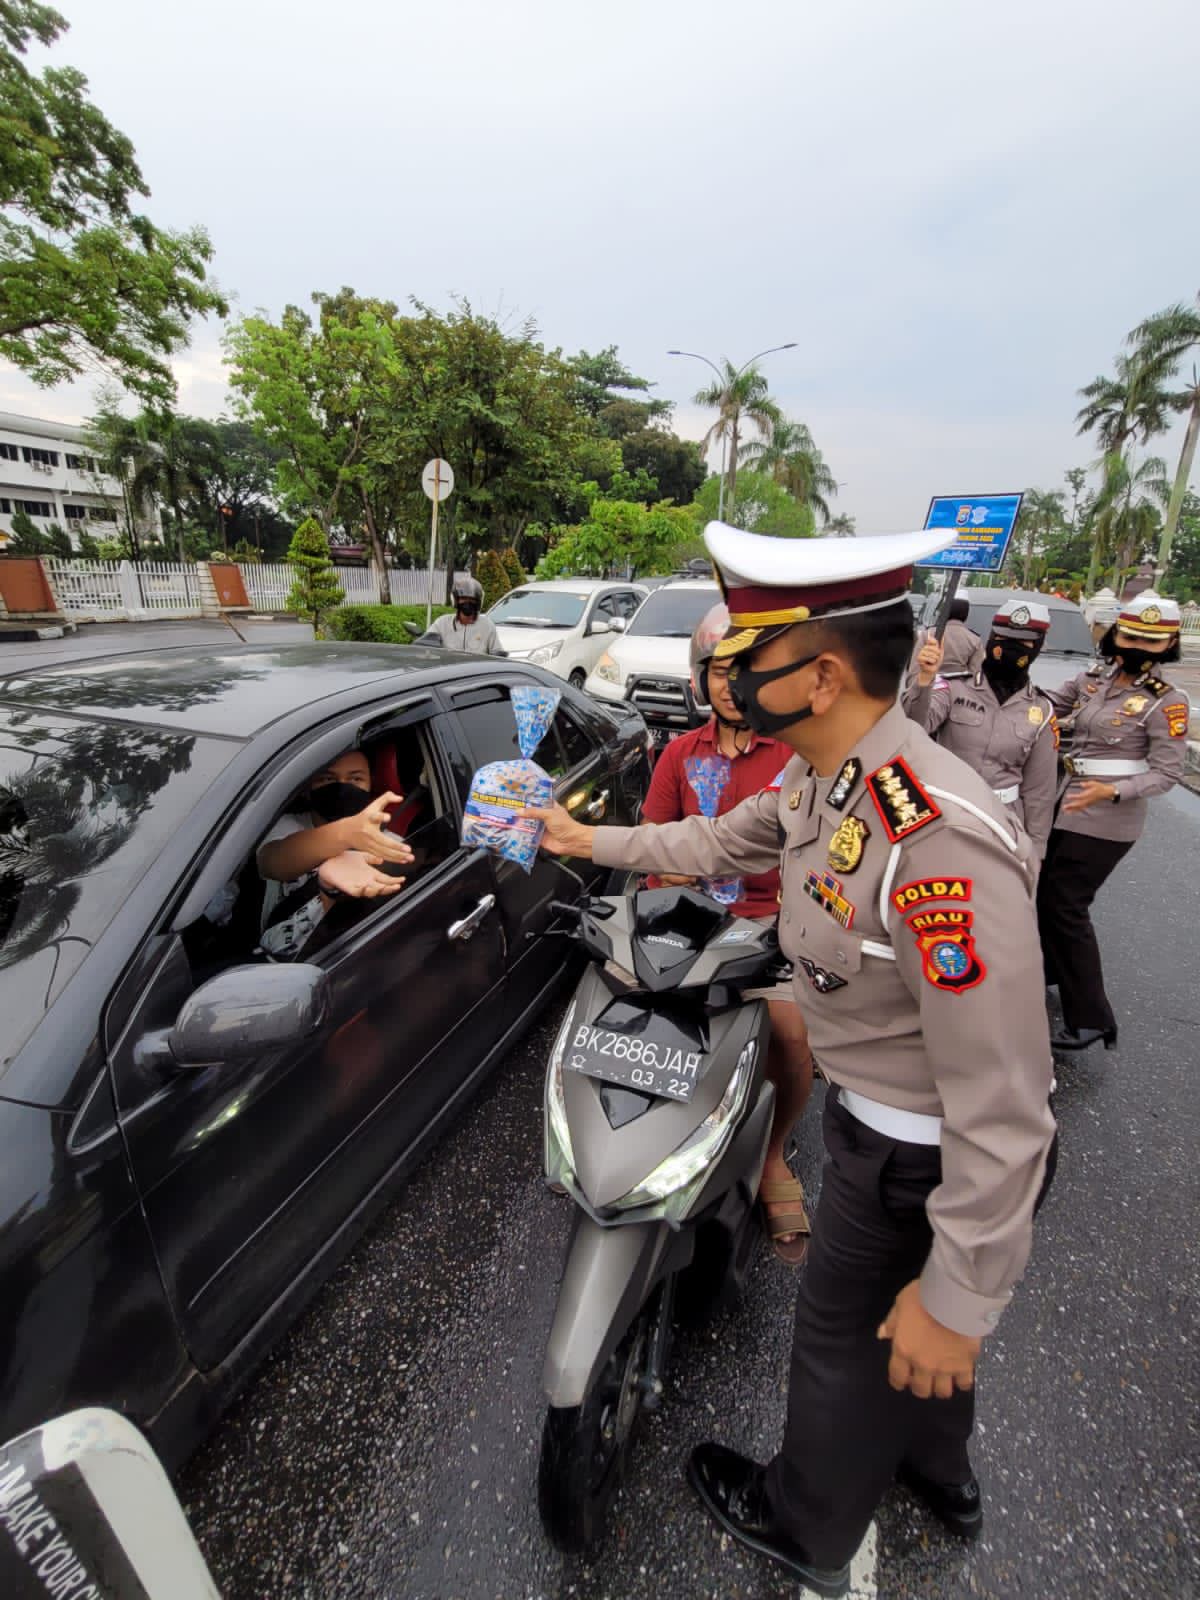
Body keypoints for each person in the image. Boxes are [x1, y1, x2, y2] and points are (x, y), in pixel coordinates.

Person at [528, 523, 1056, 1596]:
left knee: (842, 1341)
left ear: (818, 677)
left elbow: (1005, 1103)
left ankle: (807, 1522)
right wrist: (588, 842)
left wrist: (963, 1294)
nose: (729, 679)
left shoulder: (929, 835)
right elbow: (717, 843)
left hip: (915, 1155)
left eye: (752, 661)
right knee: (906, 1332)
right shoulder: (838, 780)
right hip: (885, 1121)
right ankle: (936, 1468)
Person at [640, 602, 815, 1263]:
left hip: (772, 923)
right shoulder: (678, 755)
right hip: (688, 920)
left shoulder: (798, 757)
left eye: (745, 669)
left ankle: (772, 1153)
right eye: (719, 670)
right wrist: (669, 898)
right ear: (701, 679)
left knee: (792, 1036)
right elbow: (653, 842)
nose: (731, 683)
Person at [1037, 591, 1189, 1052]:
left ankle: (1092, 1018)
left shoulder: (1167, 701)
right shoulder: (1095, 678)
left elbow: (1168, 772)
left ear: (1169, 645)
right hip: (1067, 801)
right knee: (1045, 895)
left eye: (1152, 641)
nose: (1139, 646)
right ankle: (1050, 972)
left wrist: (1115, 790)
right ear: (1114, 634)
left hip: (1108, 818)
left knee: (1066, 905)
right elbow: (1048, 703)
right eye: (1131, 635)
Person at [902, 600, 1059, 856]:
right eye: (1002, 638)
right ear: (991, 637)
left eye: (1023, 643)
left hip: (1001, 823)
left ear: (1038, 647)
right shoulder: (952, 687)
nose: (1009, 648)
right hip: (945, 813)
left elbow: (1039, 793)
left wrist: (1034, 853)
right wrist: (925, 679)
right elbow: (913, 726)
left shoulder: (1042, 711)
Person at [257, 748, 413, 959]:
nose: (341, 787)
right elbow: (272, 863)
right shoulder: (288, 826)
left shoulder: (390, 845)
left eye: (356, 778)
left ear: (370, 786)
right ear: (307, 787)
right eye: (327, 778)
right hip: (273, 955)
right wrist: (346, 834)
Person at [908, 595, 984, 682]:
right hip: (958, 691)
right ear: (966, 614)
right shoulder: (975, 640)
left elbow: (914, 670)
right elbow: (975, 675)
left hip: (928, 688)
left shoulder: (928, 634)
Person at [429, 575, 504, 654]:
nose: (467, 602)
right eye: (463, 598)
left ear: (478, 602)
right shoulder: (442, 623)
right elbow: (425, 645)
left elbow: (497, 653)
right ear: (455, 601)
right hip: (449, 666)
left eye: (472, 599)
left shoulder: (487, 625)